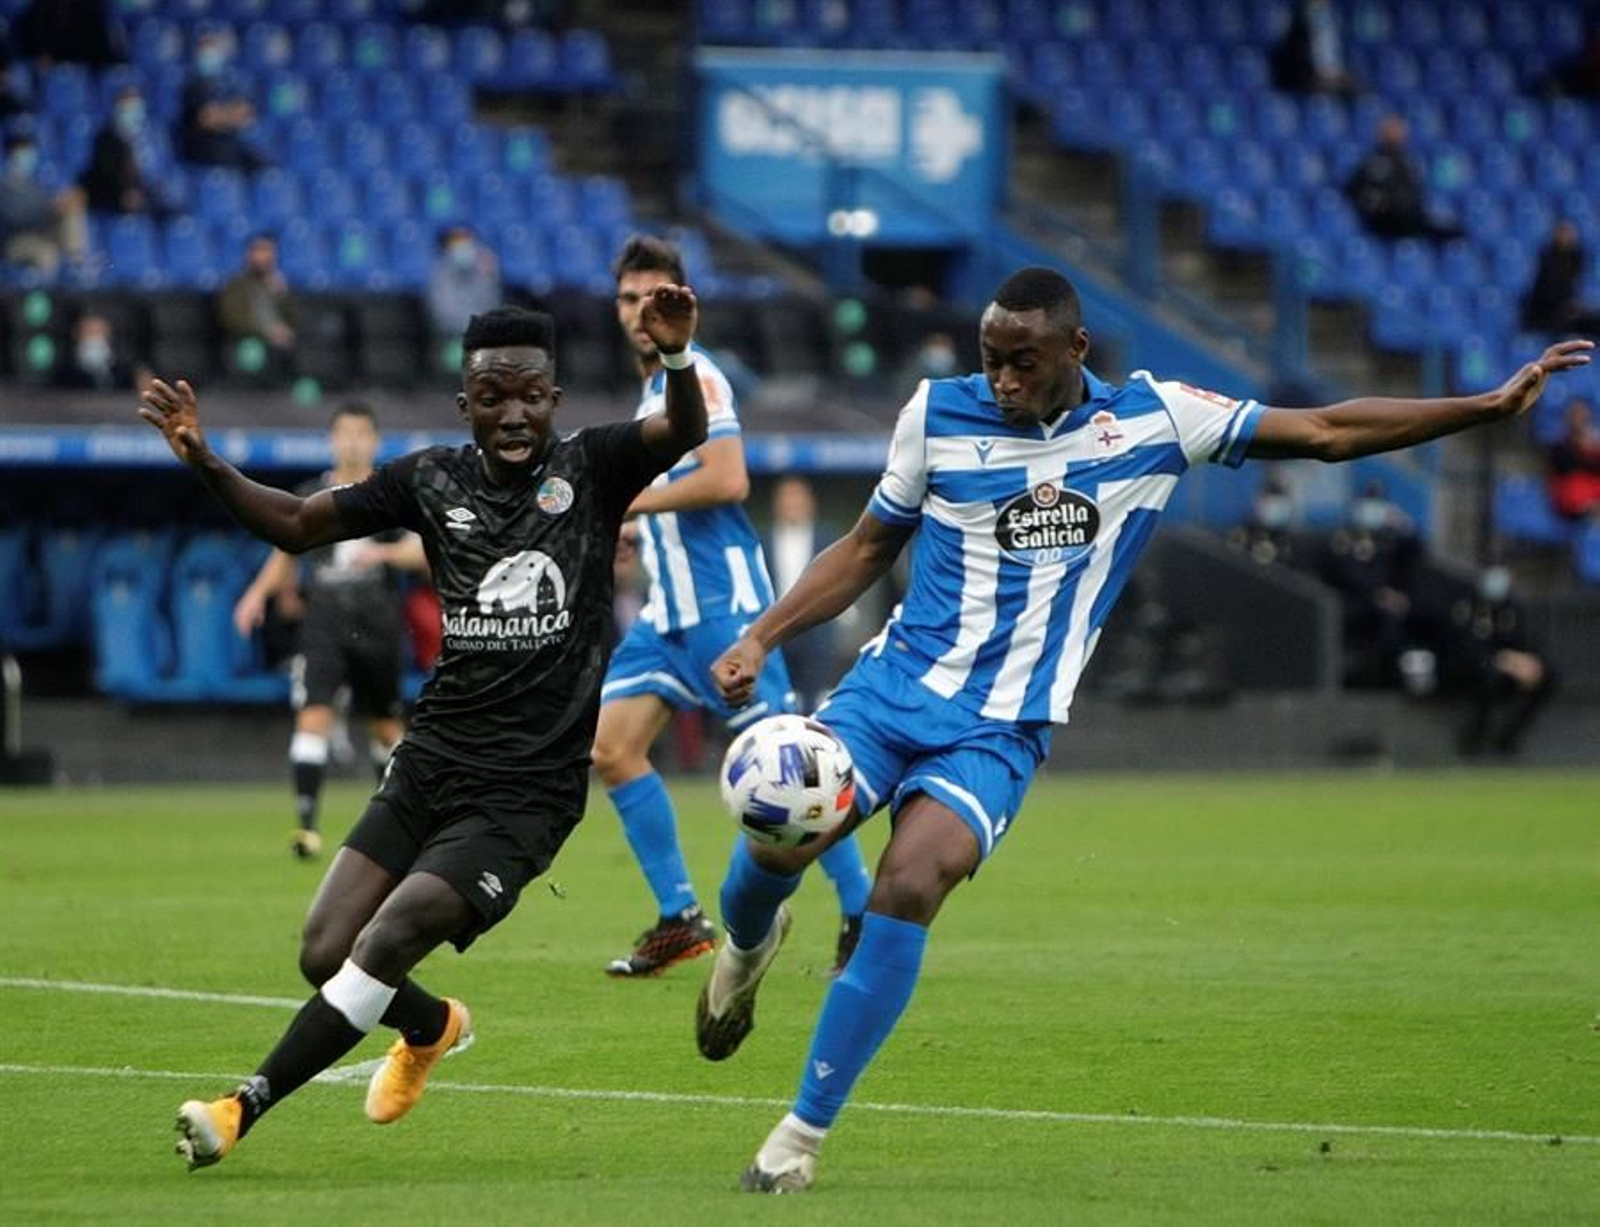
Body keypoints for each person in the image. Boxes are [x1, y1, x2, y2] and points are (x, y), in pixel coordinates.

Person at [693, 265, 1590, 1194]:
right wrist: (761, 636)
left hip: (1002, 728)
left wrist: (1483, 408)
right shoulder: (936, 413)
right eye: (991, 360)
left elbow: (1324, 431)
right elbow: (867, 547)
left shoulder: (1156, 420)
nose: (1001, 381)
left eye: (1023, 363)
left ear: (1076, 350)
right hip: (889, 693)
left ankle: (797, 1137)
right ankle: (748, 944)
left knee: (911, 881)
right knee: (774, 843)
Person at [138, 292, 708, 1171]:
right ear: (465, 404)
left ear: (554, 398)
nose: (512, 413)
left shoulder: (594, 468)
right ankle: (433, 1026)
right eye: (493, 397)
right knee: (324, 950)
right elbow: (295, 525)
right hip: (430, 761)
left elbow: (681, 429)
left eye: (529, 395)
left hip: (524, 794)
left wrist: (676, 360)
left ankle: (241, 1105)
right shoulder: (428, 480)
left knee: (385, 938)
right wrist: (204, 459)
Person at [592, 235, 872, 980]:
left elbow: (727, 478)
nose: (636, 312)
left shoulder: (699, 379)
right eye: (626, 299)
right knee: (612, 748)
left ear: (680, 301)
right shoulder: (651, 393)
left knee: (795, 768)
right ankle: (681, 918)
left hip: (724, 610)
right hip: (669, 614)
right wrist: (634, 525)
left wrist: (631, 498)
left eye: (652, 297)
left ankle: (863, 909)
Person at [232, 402, 428, 859]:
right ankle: (306, 827)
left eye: (362, 433)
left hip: (377, 618)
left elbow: (422, 550)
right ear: (333, 439)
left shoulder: (392, 491)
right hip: (325, 619)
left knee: (385, 725)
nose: (353, 441)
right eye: (345, 432)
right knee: (314, 713)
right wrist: (257, 595)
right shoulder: (313, 494)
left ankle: (392, 825)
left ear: (375, 441)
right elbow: (287, 547)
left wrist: (383, 556)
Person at [1316, 481, 1423, 688]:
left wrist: (1405, 525)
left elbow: (1414, 557)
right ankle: (1392, 669)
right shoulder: (1345, 539)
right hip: (1351, 603)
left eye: (1378, 504)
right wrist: (1379, 595)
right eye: (1369, 503)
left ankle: (1408, 665)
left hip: (1387, 603)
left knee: (1417, 612)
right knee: (1386, 616)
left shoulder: (1389, 538)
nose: (1373, 510)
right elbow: (1350, 575)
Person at [1439, 566, 1555, 758]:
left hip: (1512, 669)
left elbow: (1523, 641)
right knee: (1489, 677)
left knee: (1548, 674)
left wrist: (1530, 662)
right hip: (1474, 669)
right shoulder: (1469, 607)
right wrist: (1506, 662)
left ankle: (1509, 737)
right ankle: (1475, 736)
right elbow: (1468, 647)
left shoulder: (1511, 608)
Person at [764, 475, 838, 711]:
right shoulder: (764, 540)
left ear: (809, 502)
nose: (792, 504)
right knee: (776, 695)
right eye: (787, 498)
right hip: (775, 630)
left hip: (815, 630)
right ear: (777, 504)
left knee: (812, 698)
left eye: (797, 498)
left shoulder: (828, 538)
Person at [1344, 114, 1463, 243]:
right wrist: (1375, 202)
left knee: (1454, 232)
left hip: (1410, 218)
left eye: (1400, 132)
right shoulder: (1372, 163)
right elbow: (1354, 191)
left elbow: (1416, 193)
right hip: (1387, 222)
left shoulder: (1408, 161)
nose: (1400, 136)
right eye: (1393, 132)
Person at [1, 132, 88, 278]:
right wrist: (50, 208)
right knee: (47, 254)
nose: (27, 156)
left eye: (29, 150)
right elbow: (15, 218)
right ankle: (48, 296)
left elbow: (50, 205)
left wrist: (65, 203)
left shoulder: (36, 180)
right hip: (16, 241)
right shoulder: (4, 185)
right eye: (21, 150)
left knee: (72, 212)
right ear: (10, 154)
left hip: (43, 234)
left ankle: (76, 266)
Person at [177, 29, 268, 171]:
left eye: (212, 49)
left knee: (265, 166)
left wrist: (222, 114)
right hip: (204, 151)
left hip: (231, 147)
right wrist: (230, 114)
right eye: (205, 49)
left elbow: (246, 114)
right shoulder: (192, 85)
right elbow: (208, 119)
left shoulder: (227, 83)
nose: (209, 55)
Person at [79, 84, 173, 216]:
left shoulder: (153, 136)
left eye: (136, 108)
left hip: (149, 192)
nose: (132, 112)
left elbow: (161, 168)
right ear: (117, 109)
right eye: (127, 108)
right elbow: (104, 173)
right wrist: (124, 193)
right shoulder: (105, 139)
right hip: (116, 196)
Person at [219, 232, 297, 375]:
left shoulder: (280, 285)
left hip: (280, 343)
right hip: (248, 341)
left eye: (267, 251)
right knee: (253, 351)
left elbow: (293, 320)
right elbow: (232, 319)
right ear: (248, 255)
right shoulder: (235, 285)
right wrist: (266, 331)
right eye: (258, 250)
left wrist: (282, 296)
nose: (263, 256)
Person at [1521, 219, 1600, 336]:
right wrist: (1569, 306)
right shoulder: (1548, 260)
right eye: (1565, 232)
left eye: (1571, 233)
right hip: (1546, 313)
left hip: (1569, 311)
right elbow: (1545, 293)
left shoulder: (1577, 258)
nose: (1569, 237)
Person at [1271, 0, 1360, 96]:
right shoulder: (1298, 26)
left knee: (1358, 90)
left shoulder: (1333, 21)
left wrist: (1337, 74)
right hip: (1307, 77)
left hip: (1332, 76)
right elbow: (1294, 60)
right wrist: (1319, 75)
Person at [1225, 474, 1301, 568]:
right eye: (1270, 504)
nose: (1275, 509)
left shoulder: (1291, 539)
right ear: (1258, 503)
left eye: (1279, 504)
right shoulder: (1244, 532)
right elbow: (1230, 560)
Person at [1546, 398, 1600, 520]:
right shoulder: (1559, 447)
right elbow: (1562, 474)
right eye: (1575, 414)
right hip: (1572, 498)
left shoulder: (1595, 444)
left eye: (1581, 414)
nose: (1578, 418)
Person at [54, 311, 138, 390]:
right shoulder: (63, 374)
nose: (95, 339)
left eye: (100, 333)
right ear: (76, 335)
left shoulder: (123, 373)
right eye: (89, 333)